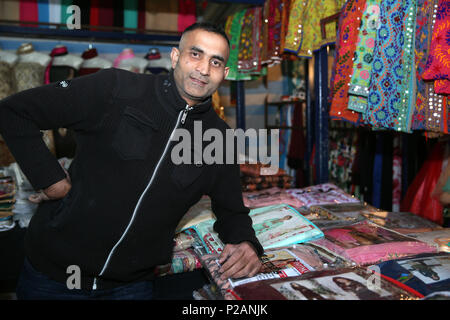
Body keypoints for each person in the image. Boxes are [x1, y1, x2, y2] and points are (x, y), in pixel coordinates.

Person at [0, 22, 263, 300]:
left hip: (130, 287)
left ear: (225, 72)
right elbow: (14, 112)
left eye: (216, 61)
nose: (203, 69)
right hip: (53, 277)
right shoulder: (115, 87)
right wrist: (50, 180)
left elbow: (232, 210)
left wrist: (247, 243)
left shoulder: (218, 138)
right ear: (175, 57)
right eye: (195, 54)